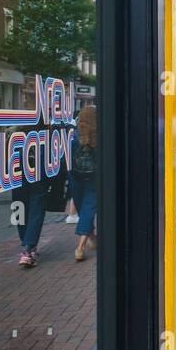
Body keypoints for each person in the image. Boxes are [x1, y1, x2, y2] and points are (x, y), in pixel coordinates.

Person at [69, 104, 99, 262]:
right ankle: (81, 247)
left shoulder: (74, 135)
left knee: (83, 210)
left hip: (76, 176)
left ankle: (91, 241)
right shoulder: (100, 136)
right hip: (93, 177)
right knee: (88, 209)